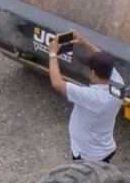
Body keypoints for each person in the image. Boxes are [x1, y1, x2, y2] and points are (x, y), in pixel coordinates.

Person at [45, 33, 124, 161]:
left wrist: (52, 54)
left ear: (93, 73)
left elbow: (57, 83)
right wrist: (85, 43)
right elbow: (104, 60)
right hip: (104, 149)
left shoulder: (92, 97)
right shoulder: (118, 85)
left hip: (88, 156)